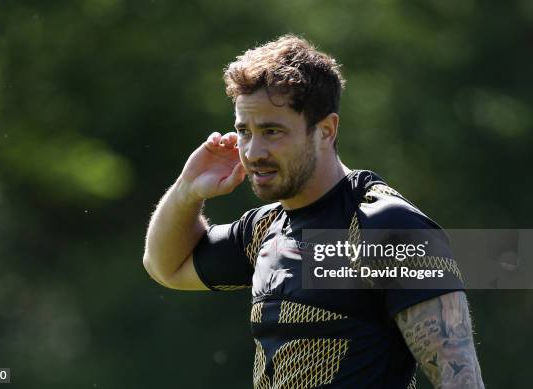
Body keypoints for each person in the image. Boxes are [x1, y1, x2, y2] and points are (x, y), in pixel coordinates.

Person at [143, 35, 485, 388]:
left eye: (272, 131)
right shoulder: (264, 230)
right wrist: (188, 190)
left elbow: (461, 380)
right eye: (244, 132)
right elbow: (164, 266)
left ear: (326, 130)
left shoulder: (385, 226)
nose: (253, 151)